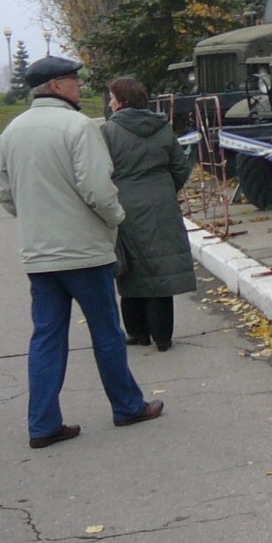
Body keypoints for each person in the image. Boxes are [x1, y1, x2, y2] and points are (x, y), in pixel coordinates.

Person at [0, 56, 163, 449]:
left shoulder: (13, 130)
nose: (79, 86)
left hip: (40, 254)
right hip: (85, 252)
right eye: (72, 80)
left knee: (47, 337)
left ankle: (43, 424)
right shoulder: (78, 126)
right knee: (107, 331)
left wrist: (36, 218)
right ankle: (127, 406)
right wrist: (115, 218)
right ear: (55, 86)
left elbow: (5, 194)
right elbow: (98, 189)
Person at [101, 76, 195, 352]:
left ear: (121, 102)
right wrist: (165, 190)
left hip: (125, 205)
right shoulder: (162, 127)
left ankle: (138, 332)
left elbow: (101, 172)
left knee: (131, 269)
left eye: (111, 98)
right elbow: (180, 166)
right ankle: (163, 336)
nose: (109, 102)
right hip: (162, 203)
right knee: (161, 270)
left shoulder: (108, 132)